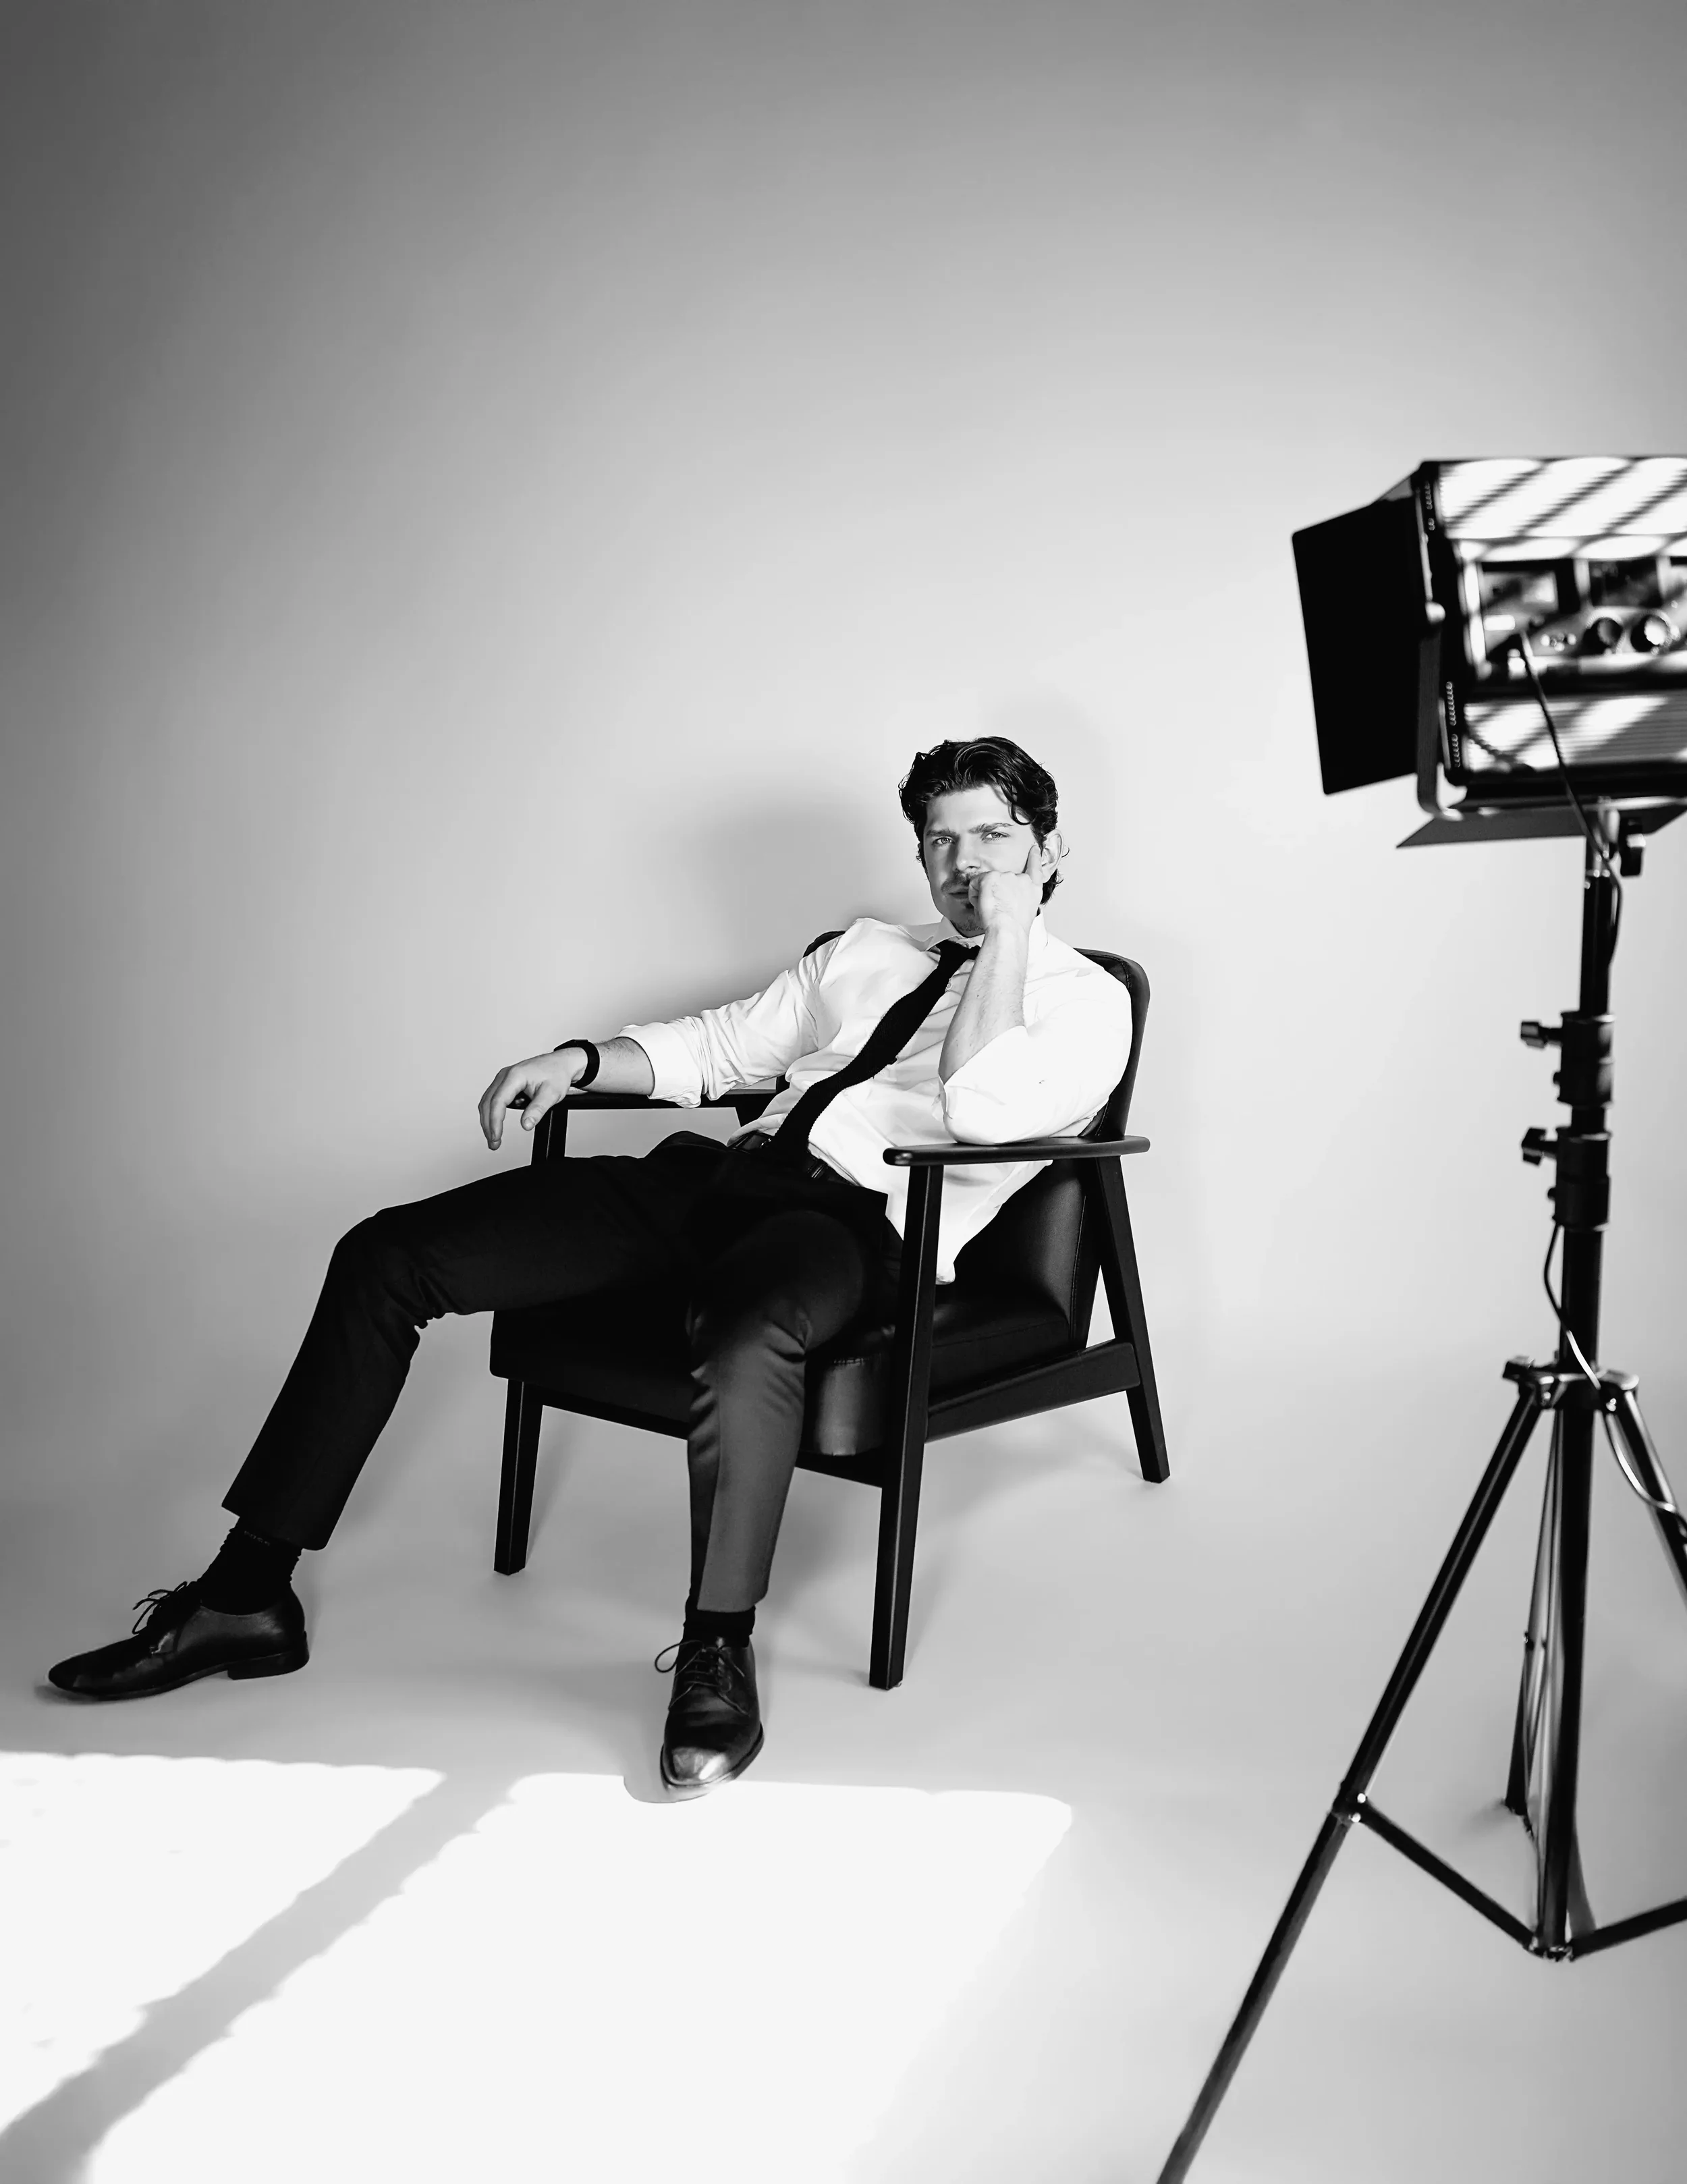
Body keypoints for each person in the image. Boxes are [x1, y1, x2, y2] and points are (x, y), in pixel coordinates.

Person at [48, 738, 1131, 1793]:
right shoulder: (863, 952)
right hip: (717, 1183)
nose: (967, 864)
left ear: (1046, 846)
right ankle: (245, 1595)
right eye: (942, 842)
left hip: (858, 1226)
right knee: (386, 1255)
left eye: (994, 835)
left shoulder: (1087, 1001)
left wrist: (1005, 944)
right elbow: (719, 1049)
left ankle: (716, 1646)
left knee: (748, 1330)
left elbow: (980, 1108)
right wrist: (574, 1061)